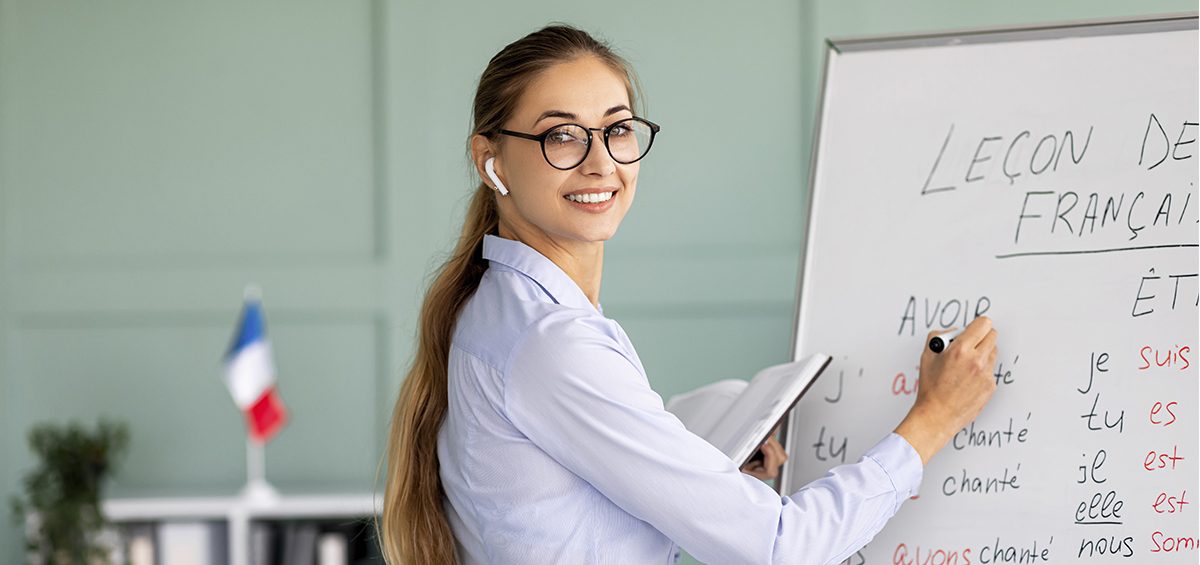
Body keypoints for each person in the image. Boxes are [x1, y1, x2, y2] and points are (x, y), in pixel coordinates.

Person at [379, 24, 999, 565]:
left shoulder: (499, 306)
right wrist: (933, 420)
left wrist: (708, 471)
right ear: (492, 162)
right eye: (562, 136)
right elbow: (783, 547)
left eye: (616, 129)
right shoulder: (552, 341)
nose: (601, 163)